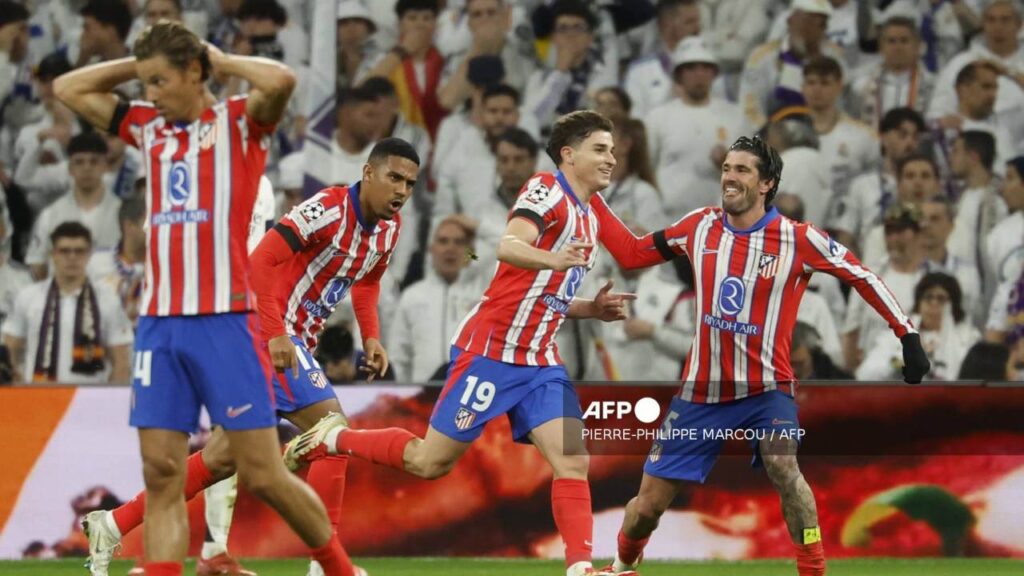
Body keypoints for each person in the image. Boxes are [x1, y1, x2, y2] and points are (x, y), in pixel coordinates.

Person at [53, 20, 350, 576]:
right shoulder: (149, 127)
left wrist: (220, 59)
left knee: (262, 472)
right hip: (160, 326)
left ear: (195, 73)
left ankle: (338, 567)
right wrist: (140, 67)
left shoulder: (238, 124)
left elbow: (281, 80)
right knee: (162, 473)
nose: (151, 94)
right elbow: (70, 89)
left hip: (226, 322)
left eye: (161, 81)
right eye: (147, 84)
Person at [286, 111, 636, 576]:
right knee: (429, 463)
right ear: (569, 155)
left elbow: (540, 295)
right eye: (601, 149)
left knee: (573, 460)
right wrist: (553, 259)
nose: (611, 158)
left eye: (612, 150)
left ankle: (580, 568)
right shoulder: (546, 189)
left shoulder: (589, 217)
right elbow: (507, 246)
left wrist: (589, 307)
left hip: (540, 361)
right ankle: (334, 436)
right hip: (490, 353)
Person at [585, 135, 930, 576]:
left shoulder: (796, 238)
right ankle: (622, 564)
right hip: (701, 395)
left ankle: (813, 568)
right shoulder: (700, 226)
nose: (729, 177)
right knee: (646, 508)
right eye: (727, 168)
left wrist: (907, 334)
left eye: (742, 170)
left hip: (767, 390)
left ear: (767, 183)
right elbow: (632, 254)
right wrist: (589, 197)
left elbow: (862, 276)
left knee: (784, 465)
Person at [2, 222, 133, 385]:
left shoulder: (107, 300)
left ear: (89, 254)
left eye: (79, 251)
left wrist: (112, 401)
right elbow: (10, 351)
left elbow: (121, 360)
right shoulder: (28, 296)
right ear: (53, 254)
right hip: (37, 398)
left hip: (90, 401)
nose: (72, 257)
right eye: (64, 251)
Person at [388, 217, 483, 382]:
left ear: (469, 251)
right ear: (431, 249)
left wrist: (479, 228)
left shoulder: (481, 296)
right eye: (443, 241)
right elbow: (399, 357)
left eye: (458, 242)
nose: (450, 248)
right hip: (422, 397)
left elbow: (495, 254)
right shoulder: (412, 296)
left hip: (467, 395)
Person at [857, 272, 979, 381]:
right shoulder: (896, 336)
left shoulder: (969, 338)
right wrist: (901, 361)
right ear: (918, 303)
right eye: (928, 297)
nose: (934, 304)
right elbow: (865, 375)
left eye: (941, 299)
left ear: (953, 305)